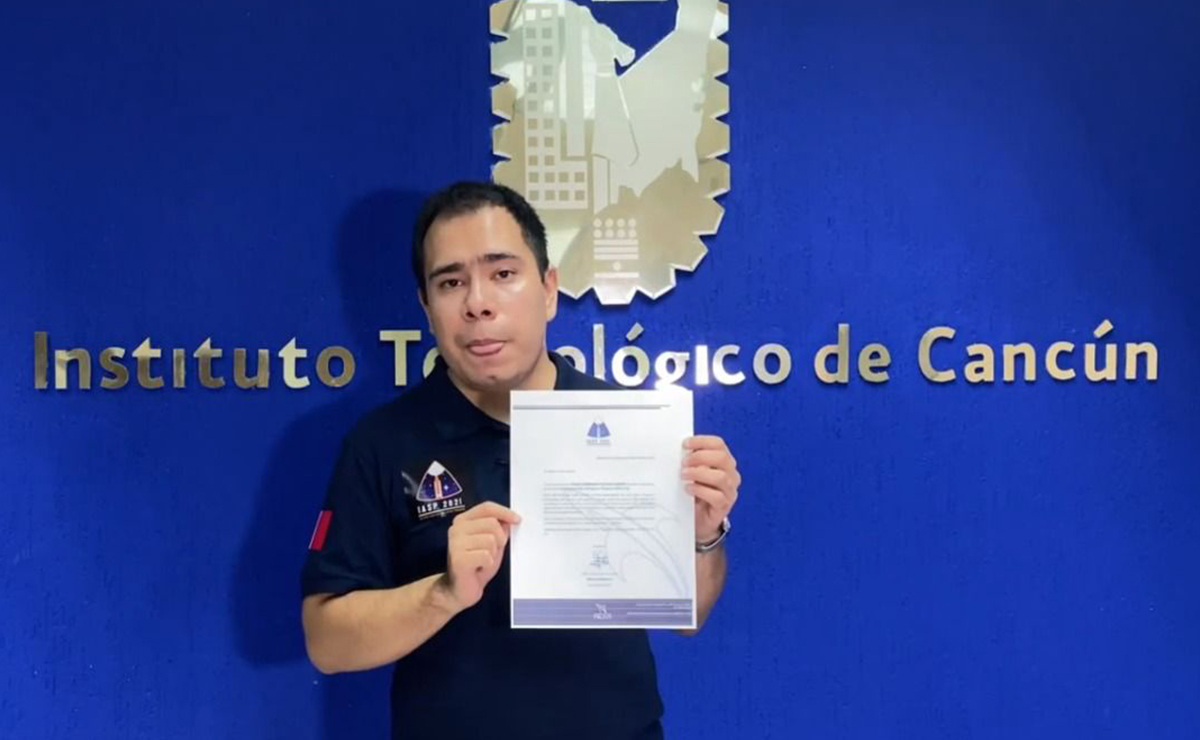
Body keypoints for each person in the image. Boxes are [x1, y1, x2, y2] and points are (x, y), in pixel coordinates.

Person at [300, 181, 741, 739]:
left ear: (549, 289)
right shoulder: (382, 442)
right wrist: (443, 593)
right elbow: (327, 642)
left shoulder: (629, 425)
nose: (478, 303)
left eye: (503, 273)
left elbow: (690, 615)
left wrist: (703, 536)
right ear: (427, 308)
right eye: (451, 282)